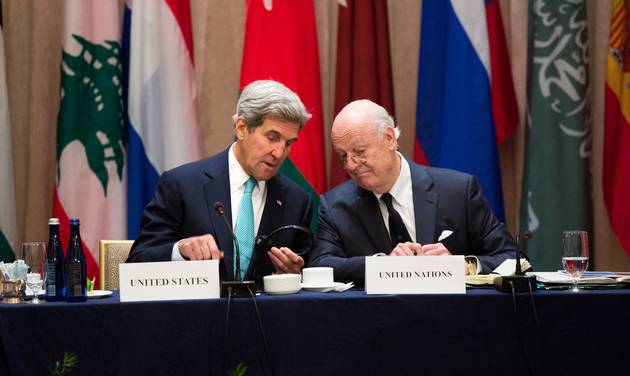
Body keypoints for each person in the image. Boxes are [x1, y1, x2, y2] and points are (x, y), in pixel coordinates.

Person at [308, 99, 516, 284]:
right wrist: (382, 265)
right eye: (343, 156)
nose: (351, 165)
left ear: (389, 138)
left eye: (359, 152)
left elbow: (513, 258)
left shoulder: (458, 191)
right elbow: (320, 266)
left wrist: (466, 266)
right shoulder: (335, 206)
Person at [126, 80, 313, 284]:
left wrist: (293, 275)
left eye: (288, 143)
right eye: (272, 137)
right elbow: (138, 260)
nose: (279, 153)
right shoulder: (182, 185)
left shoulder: (297, 200)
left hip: (265, 315)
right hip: (197, 314)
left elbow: (305, 274)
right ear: (242, 128)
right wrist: (180, 250)